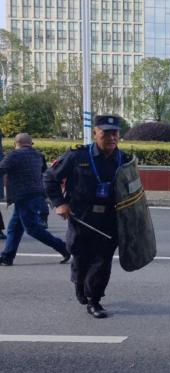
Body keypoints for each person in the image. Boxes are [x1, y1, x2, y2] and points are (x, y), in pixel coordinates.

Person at [44, 115, 131, 318]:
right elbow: (49, 177)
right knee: (81, 257)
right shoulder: (77, 156)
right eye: (106, 133)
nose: (111, 138)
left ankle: (95, 300)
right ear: (95, 133)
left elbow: (134, 191)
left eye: (115, 133)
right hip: (81, 217)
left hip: (110, 218)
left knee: (103, 260)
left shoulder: (125, 160)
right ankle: (80, 283)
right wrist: (59, 203)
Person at [0, 133, 70, 266]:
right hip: (36, 194)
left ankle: (64, 248)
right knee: (14, 227)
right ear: (31, 143)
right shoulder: (39, 155)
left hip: (22, 196)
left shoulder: (13, 155)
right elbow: (45, 174)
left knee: (32, 229)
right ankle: (7, 256)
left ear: (15, 144)